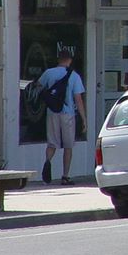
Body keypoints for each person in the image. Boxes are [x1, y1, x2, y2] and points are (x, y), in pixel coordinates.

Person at [37, 49, 87, 185]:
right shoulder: (74, 76)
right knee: (68, 145)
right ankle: (65, 176)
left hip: (52, 112)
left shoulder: (49, 73)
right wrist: (83, 119)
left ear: (58, 59)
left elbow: (38, 87)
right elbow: (78, 99)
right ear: (69, 60)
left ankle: (48, 161)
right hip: (67, 113)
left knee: (52, 142)